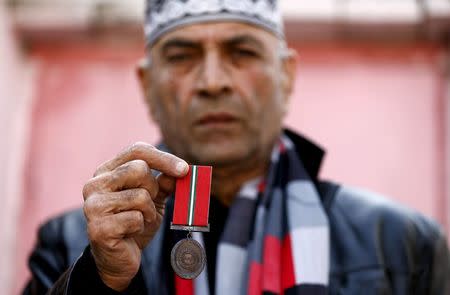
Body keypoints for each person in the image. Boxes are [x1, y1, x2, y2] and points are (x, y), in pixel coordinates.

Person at [23, 0, 450, 294]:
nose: (213, 82)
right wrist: (100, 282)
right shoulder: (78, 241)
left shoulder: (402, 244)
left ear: (286, 75)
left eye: (241, 52)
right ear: (146, 85)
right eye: (182, 56)